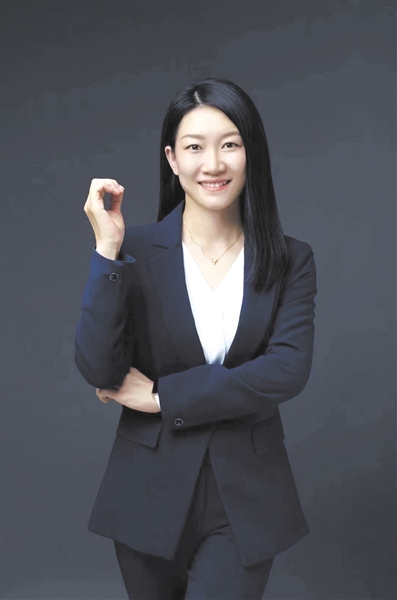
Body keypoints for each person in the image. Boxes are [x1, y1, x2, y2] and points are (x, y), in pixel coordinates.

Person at [75, 77, 317, 599]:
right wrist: (107, 251)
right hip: (146, 491)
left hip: (246, 496)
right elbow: (99, 369)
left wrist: (162, 396)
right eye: (194, 147)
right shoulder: (135, 250)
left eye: (230, 144)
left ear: (251, 153)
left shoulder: (290, 260)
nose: (213, 164)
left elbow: (286, 370)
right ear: (172, 158)